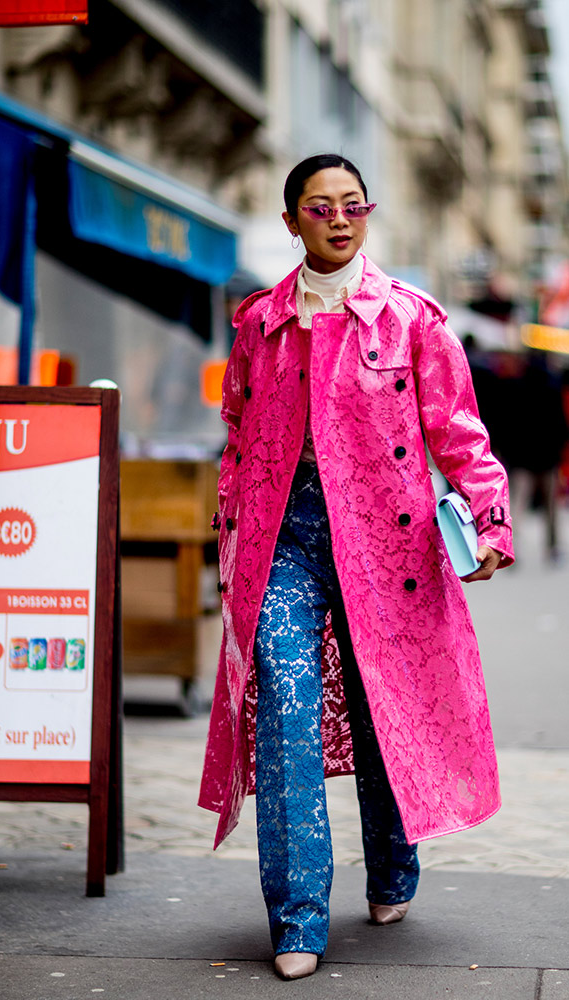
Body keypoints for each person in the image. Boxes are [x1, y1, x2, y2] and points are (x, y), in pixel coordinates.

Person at [198, 154, 514, 980]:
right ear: (291, 220)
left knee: (385, 713)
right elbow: (236, 438)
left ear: (366, 214)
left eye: (351, 205)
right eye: (318, 207)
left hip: (390, 545)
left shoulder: (411, 320)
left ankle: (391, 868)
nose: (338, 219)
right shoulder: (259, 325)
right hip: (282, 543)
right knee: (286, 712)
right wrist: (227, 533)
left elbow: (459, 434)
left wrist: (487, 522)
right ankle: (296, 918)